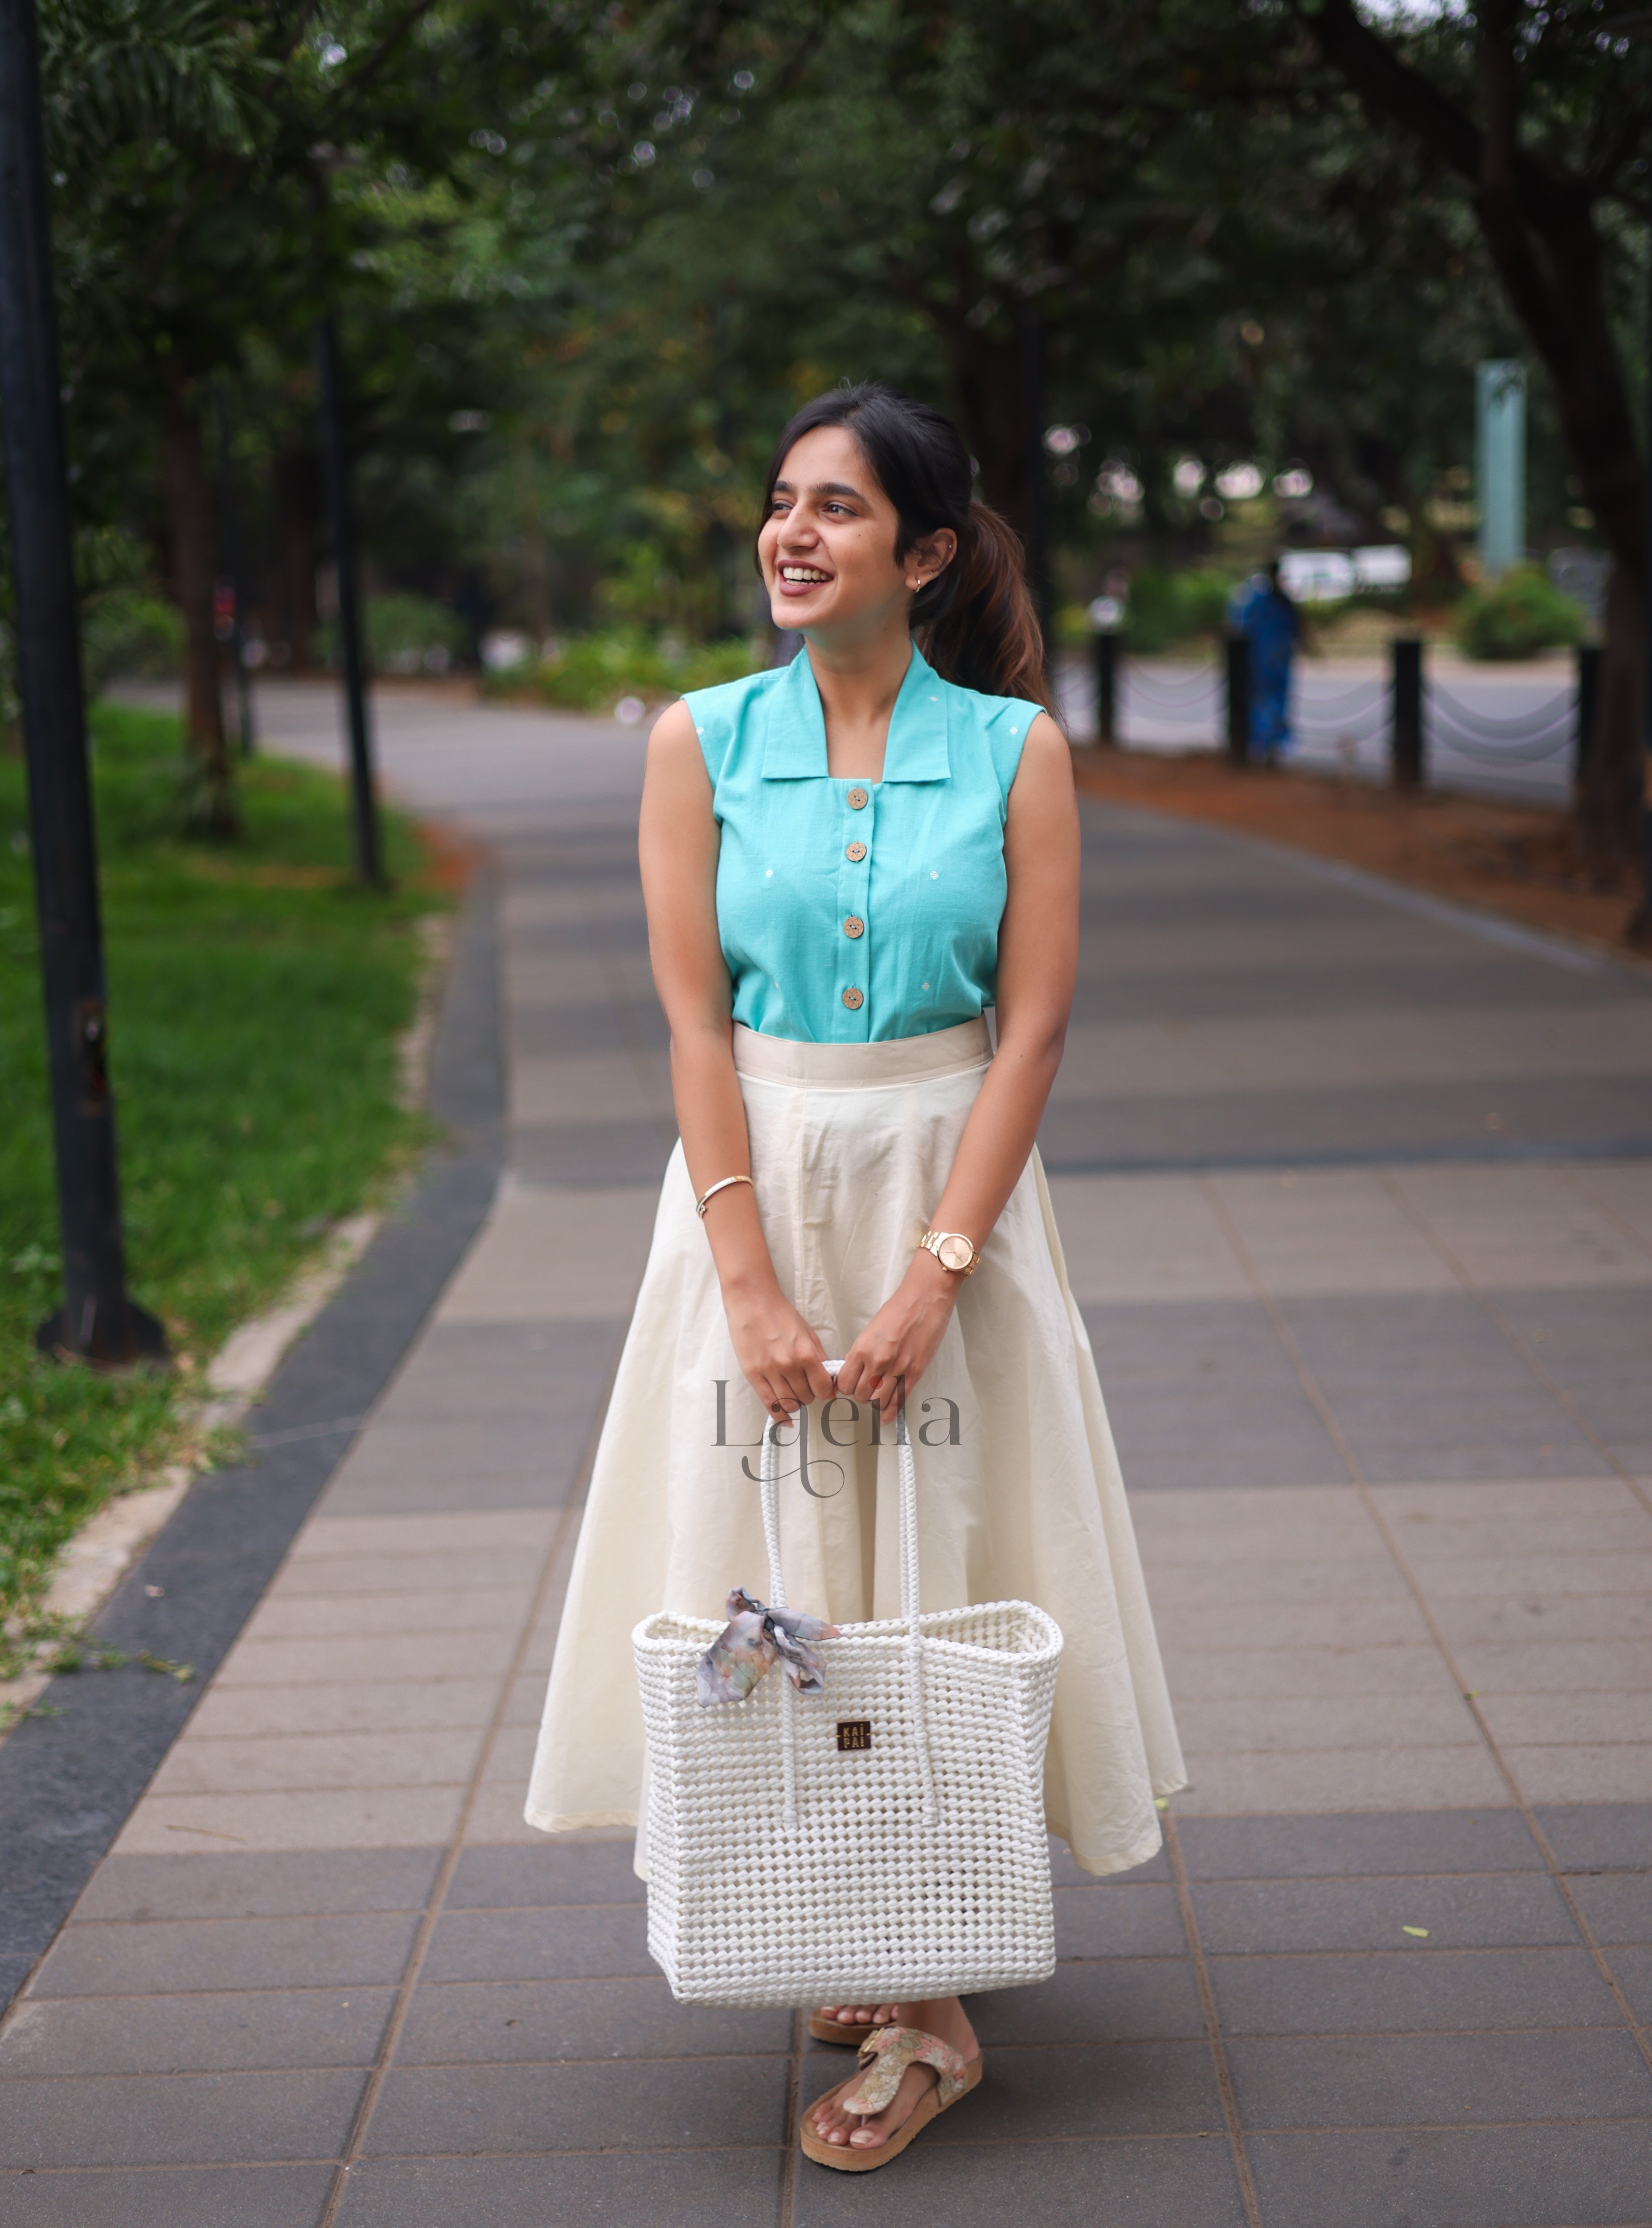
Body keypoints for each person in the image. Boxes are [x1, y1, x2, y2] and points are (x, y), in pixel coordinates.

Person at [525, 382, 1184, 2169]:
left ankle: (932, 2010)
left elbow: (1030, 1030)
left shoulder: (1017, 752)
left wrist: (935, 1274)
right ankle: (857, 1910)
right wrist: (746, 1281)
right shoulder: (699, 740)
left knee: (939, 1565)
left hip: (948, 1191)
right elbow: (692, 1023)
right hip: (750, 1189)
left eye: (837, 506)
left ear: (928, 551)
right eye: (780, 501)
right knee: (777, 1567)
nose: (791, 532)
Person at [1230, 559, 1306, 763]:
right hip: (1266, 659)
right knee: (1266, 701)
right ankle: (1266, 744)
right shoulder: (1264, 599)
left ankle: (1269, 744)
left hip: (1270, 659)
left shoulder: (1267, 600)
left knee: (1269, 701)